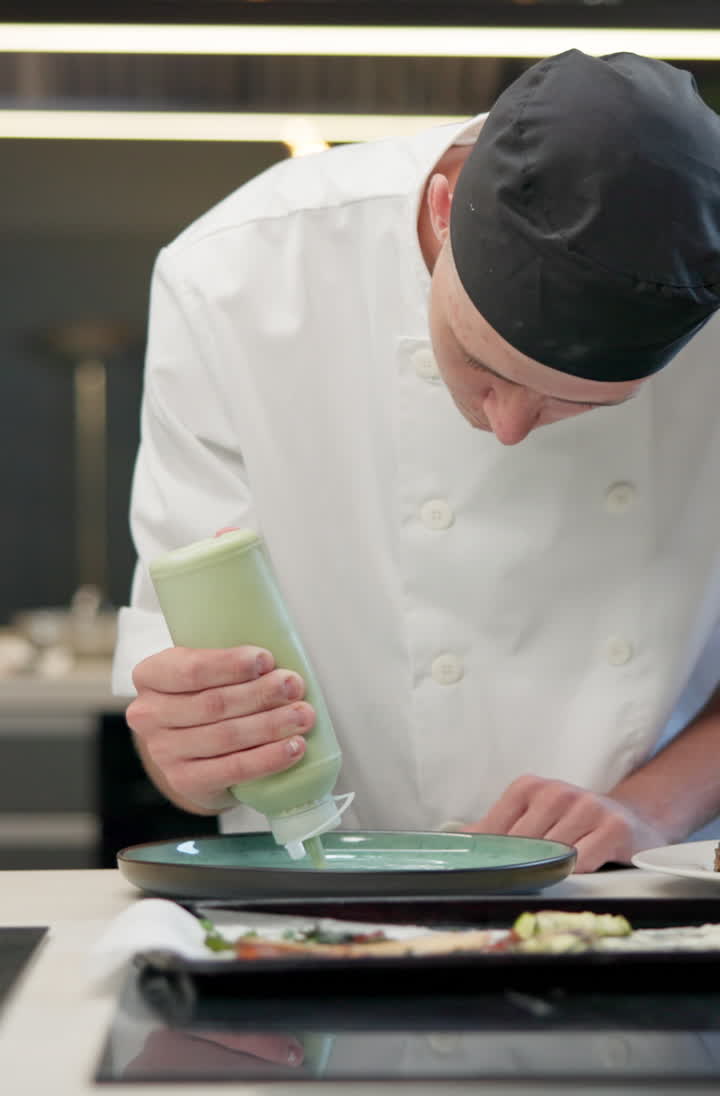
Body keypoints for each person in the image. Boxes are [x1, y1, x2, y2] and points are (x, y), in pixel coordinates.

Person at [114, 48, 720, 872]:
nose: (506, 429)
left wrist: (648, 811)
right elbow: (179, 681)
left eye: (576, 403)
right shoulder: (234, 280)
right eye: (482, 367)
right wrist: (194, 751)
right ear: (443, 211)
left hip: (649, 888)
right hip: (317, 886)